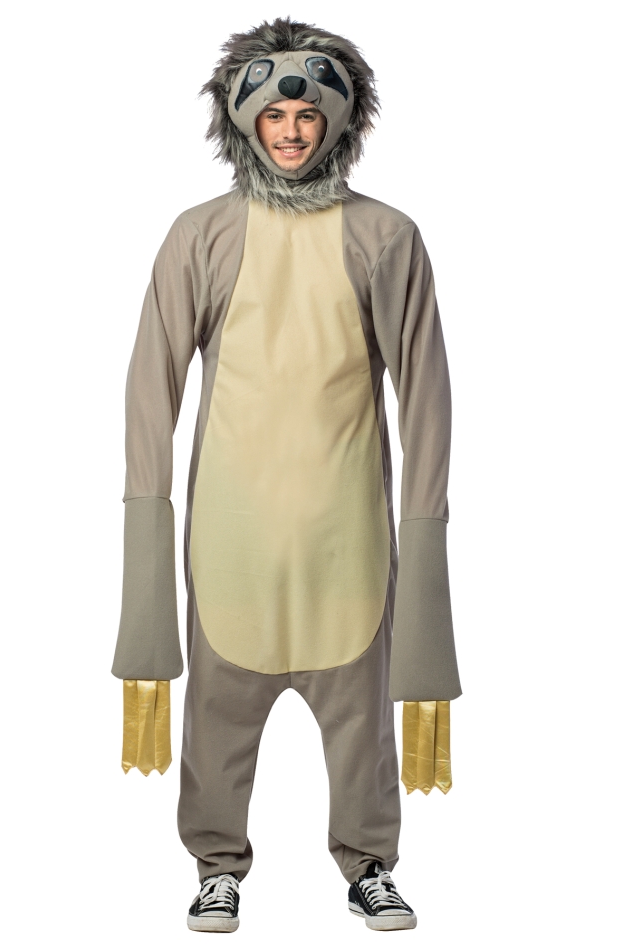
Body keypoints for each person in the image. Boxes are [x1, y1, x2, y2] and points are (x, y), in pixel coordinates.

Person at [111, 16, 462, 933]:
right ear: (244, 119)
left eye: (309, 114)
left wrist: (423, 528)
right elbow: (151, 385)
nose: (293, 131)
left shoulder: (386, 237)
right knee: (216, 718)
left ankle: (369, 863)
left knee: (361, 725)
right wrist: (147, 523)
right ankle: (216, 865)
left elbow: (426, 394)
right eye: (274, 114)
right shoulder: (201, 235)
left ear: (341, 120)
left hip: (348, 535)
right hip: (232, 535)